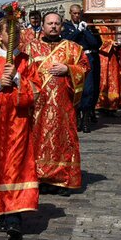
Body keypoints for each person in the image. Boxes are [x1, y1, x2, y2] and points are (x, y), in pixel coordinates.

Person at [0, 15, 41, 240]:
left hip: (19, 122)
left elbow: (37, 91)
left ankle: (15, 216)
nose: (14, 37)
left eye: (17, 33)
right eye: (9, 33)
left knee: (16, 165)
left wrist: (20, 79)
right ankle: (2, 210)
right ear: (0, 36)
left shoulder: (26, 61)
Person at [23, 11, 89, 196]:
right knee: (38, 141)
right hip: (39, 106)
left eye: (57, 23)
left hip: (63, 106)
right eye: (50, 23)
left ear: (62, 26)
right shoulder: (31, 48)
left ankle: (63, 180)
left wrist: (68, 68)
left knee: (64, 141)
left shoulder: (72, 48)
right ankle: (40, 178)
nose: (53, 26)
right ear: (43, 26)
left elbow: (85, 67)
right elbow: (23, 73)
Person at [61, 4, 101, 133]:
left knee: (89, 89)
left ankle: (86, 118)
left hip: (87, 58)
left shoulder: (88, 27)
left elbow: (96, 43)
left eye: (79, 13)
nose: (77, 16)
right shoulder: (66, 27)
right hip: (74, 59)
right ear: (70, 13)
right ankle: (77, 116)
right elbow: (67, 40)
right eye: (74, 13)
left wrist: (86, 31)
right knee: (75, 88)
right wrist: (78, 31)